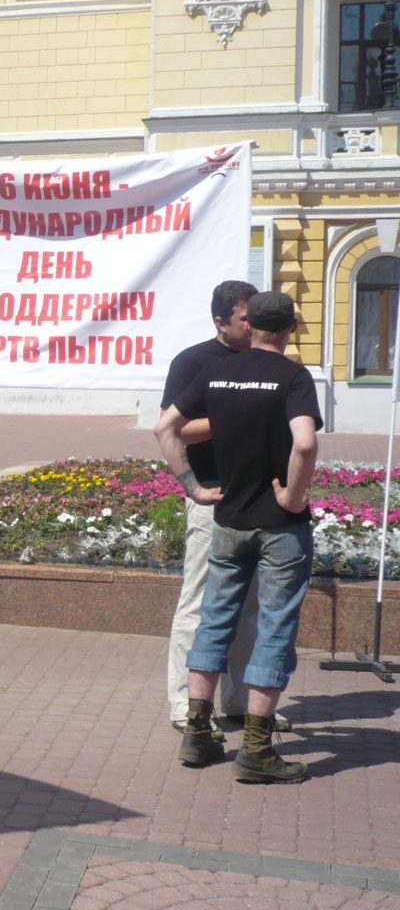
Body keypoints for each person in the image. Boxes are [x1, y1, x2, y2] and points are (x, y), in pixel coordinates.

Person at [154, 290, 320, 784]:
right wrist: (292, 496)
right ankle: (256, 748)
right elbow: (306, 443)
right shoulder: (292, 376)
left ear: (253, 327)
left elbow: (166, 426)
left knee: (214, 620)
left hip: (226, 517)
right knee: (274, 628)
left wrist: (192, 487)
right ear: (289, 328)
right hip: (278, 525)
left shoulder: (218, 372)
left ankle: (198, 734)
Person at [159, 280, 273, 738]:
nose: (253, 326)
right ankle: (187, 704)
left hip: (257, 500)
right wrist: (192, 487)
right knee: (200, 602)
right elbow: (172, 429)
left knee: (250, 607)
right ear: (221, 321)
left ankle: (240, 701)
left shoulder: (266, 359)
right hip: (212, 496)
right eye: (245, 319)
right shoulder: (193, 362)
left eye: (256, 318)